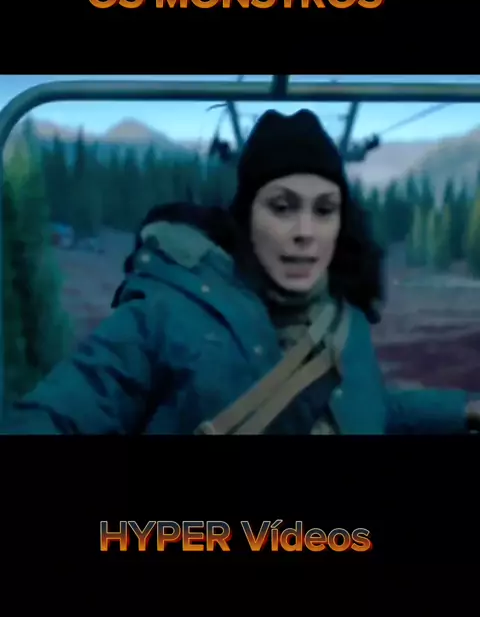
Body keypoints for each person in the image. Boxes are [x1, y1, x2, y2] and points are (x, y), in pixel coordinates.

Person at [1, 109, 480, 435]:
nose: (305, 233)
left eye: (323, 210)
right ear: (247, 216)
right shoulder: (167, 312)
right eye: (282, 207)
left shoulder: (345, 320)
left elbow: (368, 406)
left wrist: (463, 410)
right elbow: (64, 411)